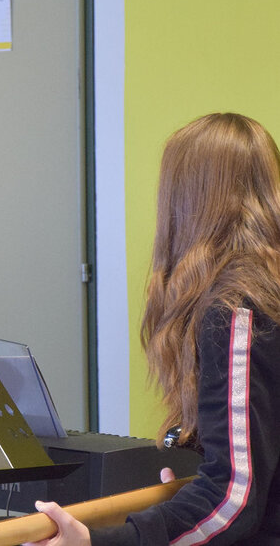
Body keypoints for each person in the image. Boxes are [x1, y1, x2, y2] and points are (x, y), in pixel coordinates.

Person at [29, 112, 280, 545]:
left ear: (187, 199)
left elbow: (232, 499)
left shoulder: (237, 309)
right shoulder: (263, 289)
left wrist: (99, 543)